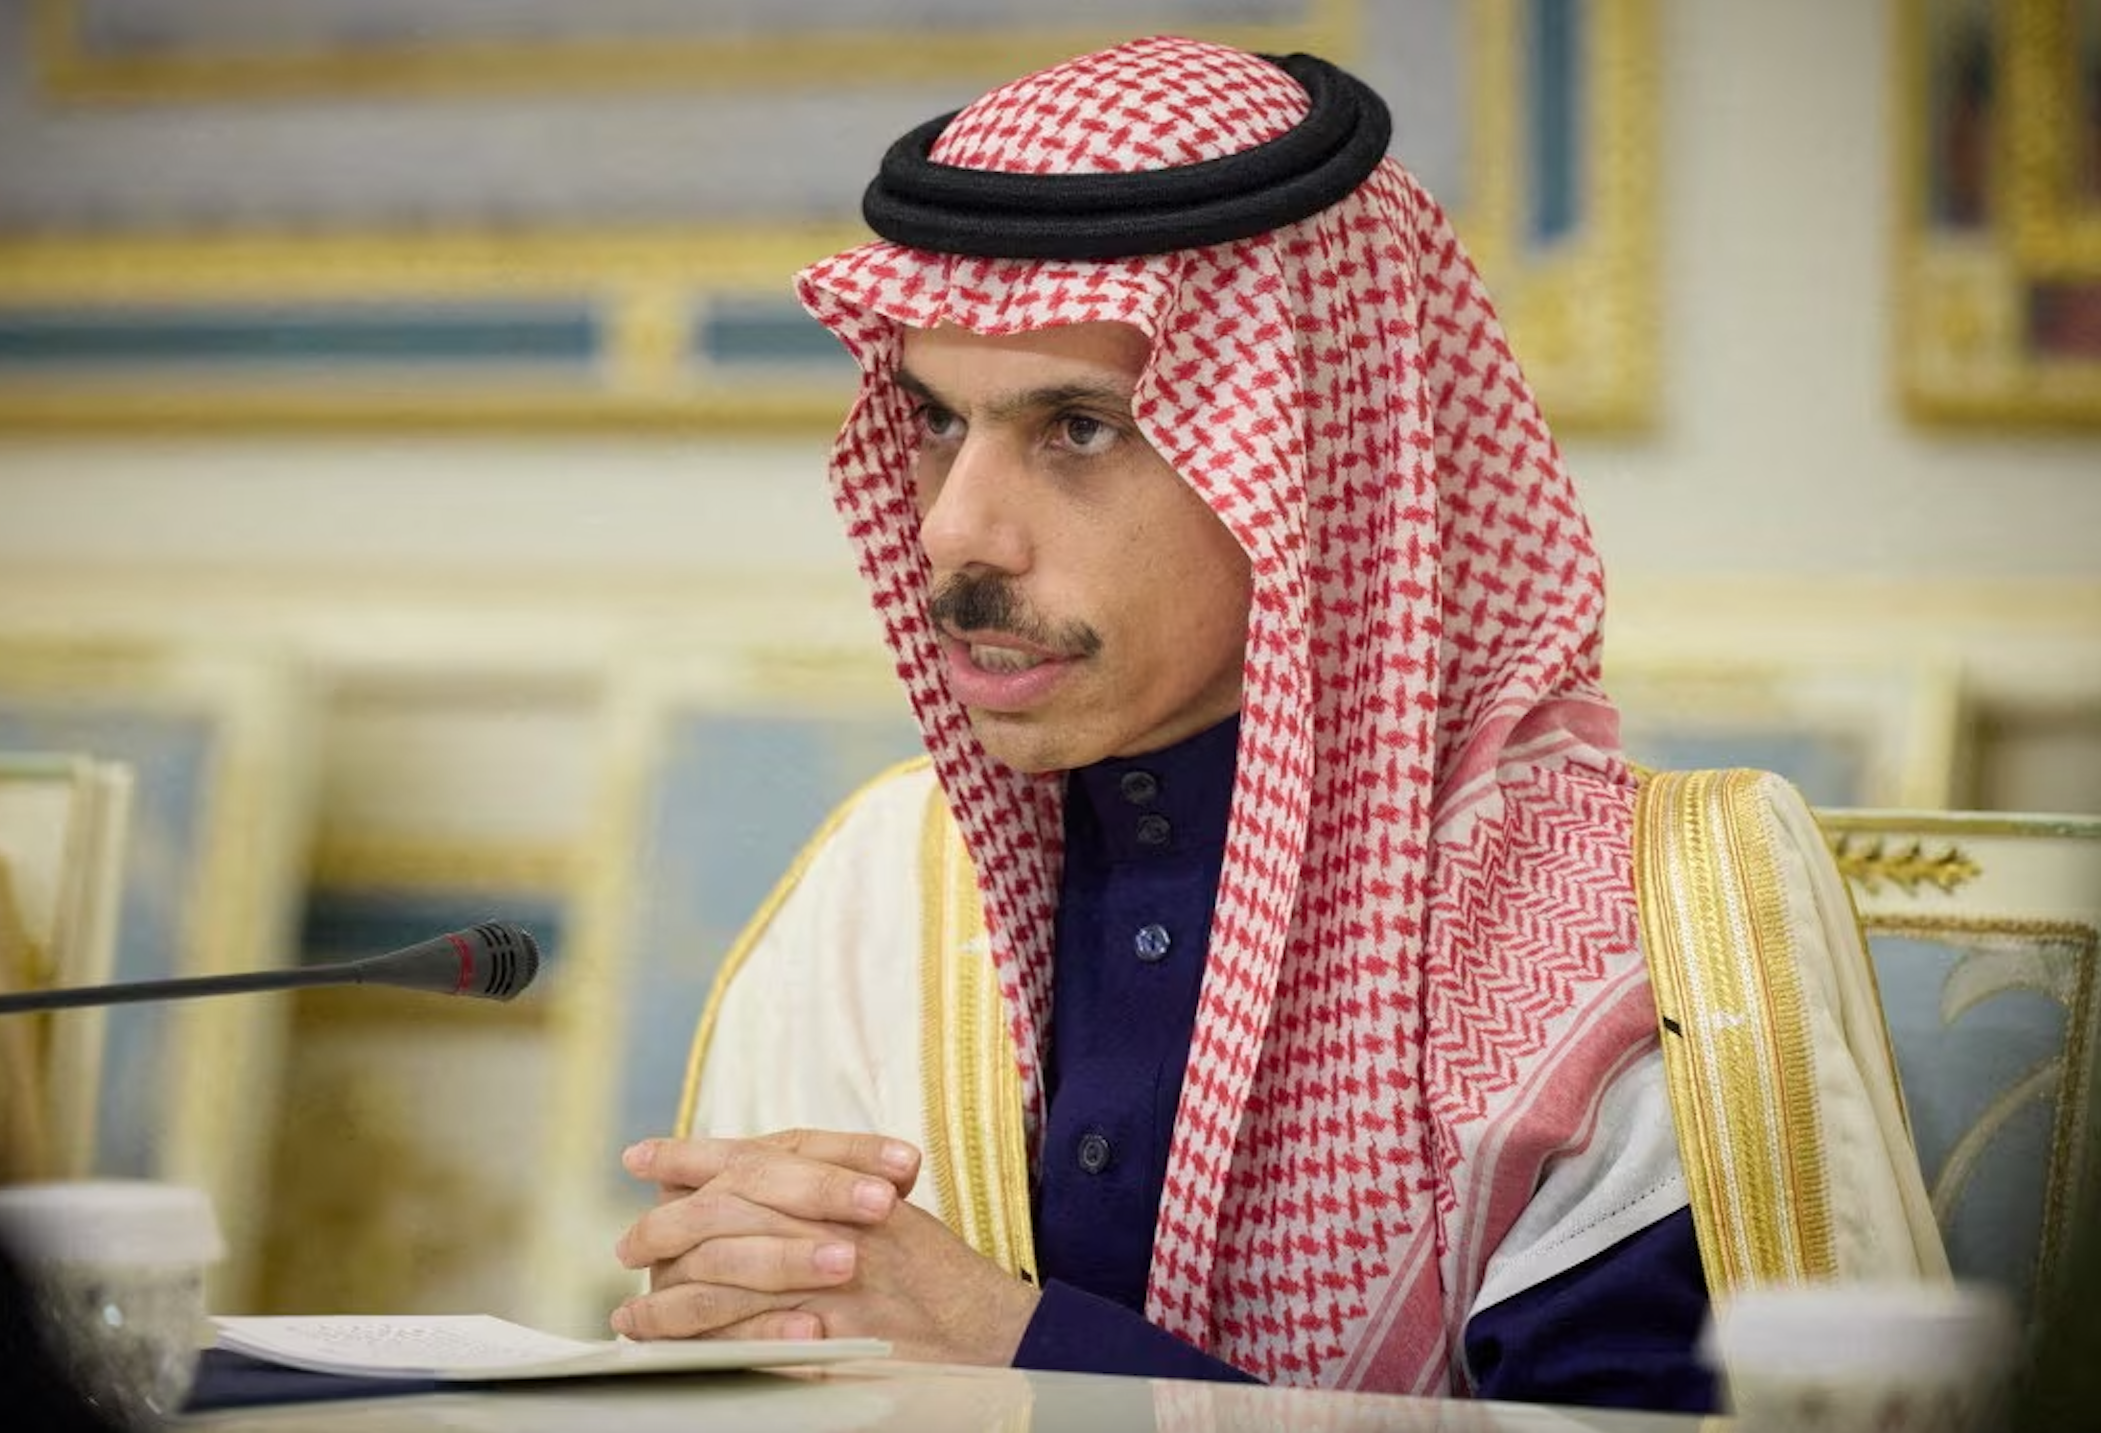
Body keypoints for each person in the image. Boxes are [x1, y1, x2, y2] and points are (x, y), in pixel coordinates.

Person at [610, 36, 1945, 1408]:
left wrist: (1024, 1356)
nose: (954, 530)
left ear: (1313, 459)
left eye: (1078, 429)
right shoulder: (880, 891)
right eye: (938, 424)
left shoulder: (1632, 929)